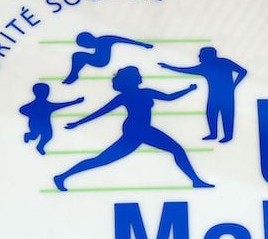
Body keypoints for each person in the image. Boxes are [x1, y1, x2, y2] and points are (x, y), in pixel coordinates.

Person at [53, 66, 211, 191]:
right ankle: (62, 176)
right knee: (102, 160)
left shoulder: (146, 92)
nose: (140, 77)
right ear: (131, 80)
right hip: (135, 131)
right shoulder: (125, 96)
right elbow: (100, 112)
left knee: (177, 150)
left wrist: (188, 90)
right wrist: (77, 123)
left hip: (143, 129)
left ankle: (196, 181)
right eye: (137, 75)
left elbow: (169, 97)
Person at [158, 46, 246, 143]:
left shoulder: (223, 63)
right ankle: (213, 134)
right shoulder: (207, 66)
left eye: (201, 55)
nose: (198, 56)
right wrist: (168, 67)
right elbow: (186, 70)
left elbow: (243, 71)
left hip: (226, 95)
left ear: (207, 56)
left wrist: (234, 85)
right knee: (211, 113)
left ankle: (227, 136)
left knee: (227, 114)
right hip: (216, 95)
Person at [63, 32, 154, 84]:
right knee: (78, 56)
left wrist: (143, 44)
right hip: (97, 59)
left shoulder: (106, 39)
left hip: (101, 61)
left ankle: (73, 75)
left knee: (78, 55)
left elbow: (124, 40)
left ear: (90, 39)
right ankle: (74, 75)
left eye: (86, 45)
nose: (87, 48)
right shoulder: (102, 41)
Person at [19, 83, 83, 155]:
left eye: (46, 92)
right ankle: (28, 136)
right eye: (44, 92)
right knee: (34, 135)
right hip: (35, 123)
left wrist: (75, 102)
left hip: (45, 125)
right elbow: (22, 110)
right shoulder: (36, 105)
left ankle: (40, 146)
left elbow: (61, 105)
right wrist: (31, 114)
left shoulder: (48, 105)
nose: (46, 94)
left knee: (48, 136)